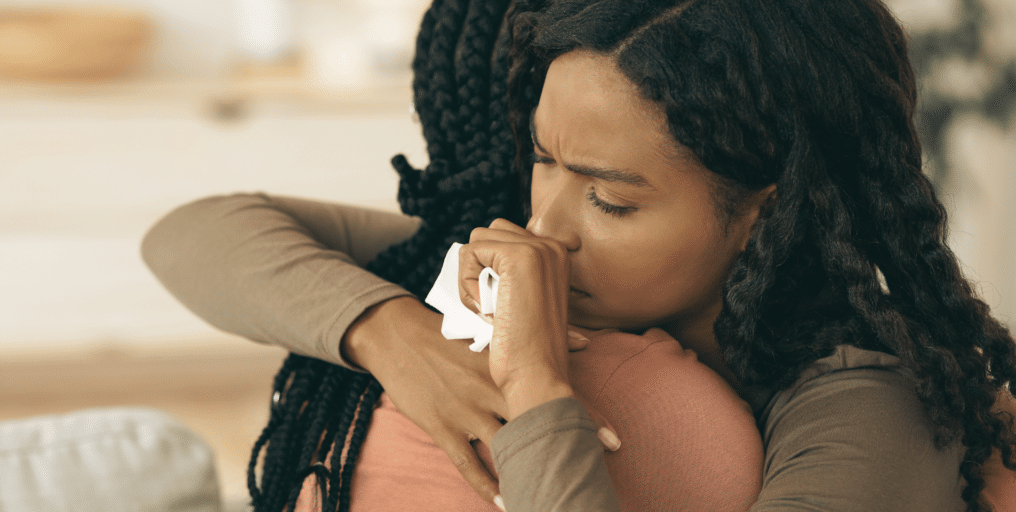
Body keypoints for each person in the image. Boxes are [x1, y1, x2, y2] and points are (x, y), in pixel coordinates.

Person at [142, 0, 1016, 511]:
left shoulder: (868, 402)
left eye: (610, 198)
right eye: (543, 160)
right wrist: (389, 331)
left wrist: (537, 393)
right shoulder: (547, 271)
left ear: (761, 214)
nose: (547, 224)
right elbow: (193, 232)